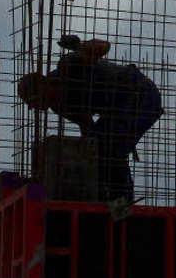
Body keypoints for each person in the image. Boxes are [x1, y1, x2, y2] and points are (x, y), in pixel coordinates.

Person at [18, 36, 162, 202]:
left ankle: (122, 204)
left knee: (112, 146)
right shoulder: (58, 105)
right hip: (117, 109)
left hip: (140, 94)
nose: (31, 107)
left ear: (41, 85)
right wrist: (85, 156)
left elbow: (104, 46)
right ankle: (103, 198)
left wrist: (81, 47)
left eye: (31, 100)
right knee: (99, 148)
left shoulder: (69, 66)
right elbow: (87, 126)